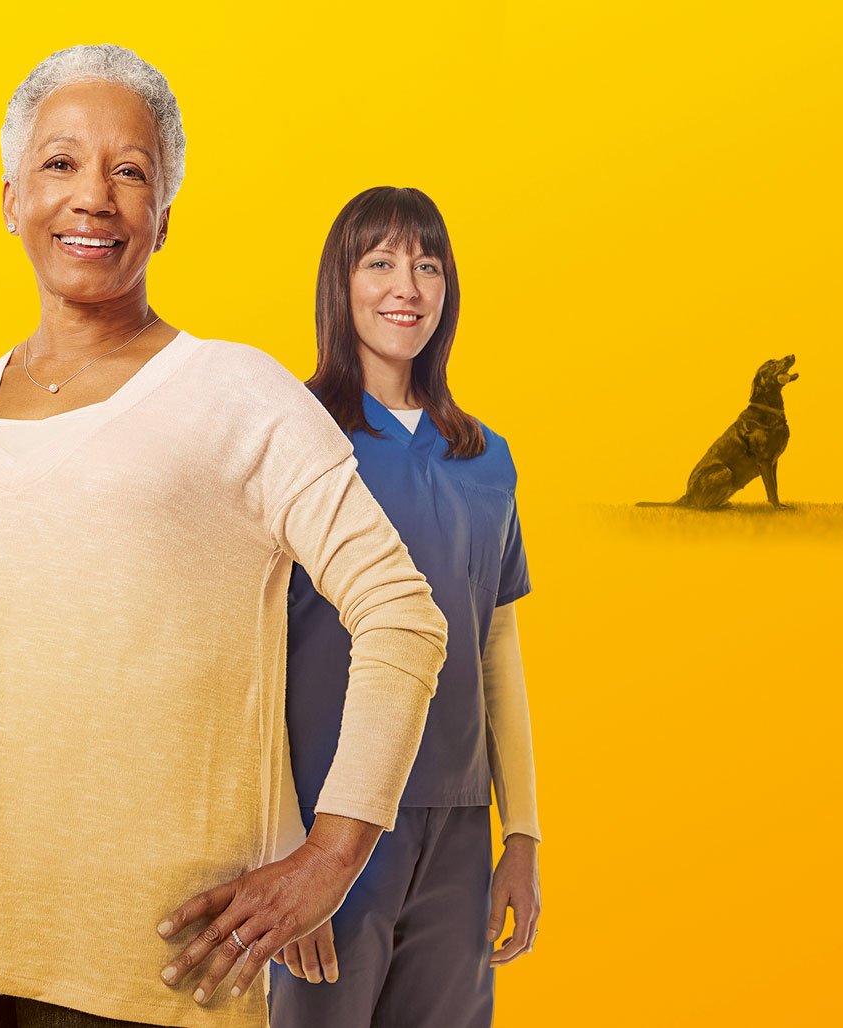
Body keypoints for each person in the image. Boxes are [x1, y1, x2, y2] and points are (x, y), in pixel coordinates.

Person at [0, 44, 449, 1028]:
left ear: (165, 216)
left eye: (128, 171)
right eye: (61, 164)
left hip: (149, 960)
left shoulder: (238, 394)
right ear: (10, 198)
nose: (92, 196)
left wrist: (331, 854)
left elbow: (401, 611)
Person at [268, 186, 542, 1028]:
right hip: (329, 819)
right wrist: (284, 846)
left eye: (428, 265)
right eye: (379, 262)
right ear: (339, 285)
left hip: (458, 827)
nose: (407, 287)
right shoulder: (296, 434)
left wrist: (522, 834)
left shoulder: (484, 456)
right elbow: (248, 650)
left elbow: (496, 646)